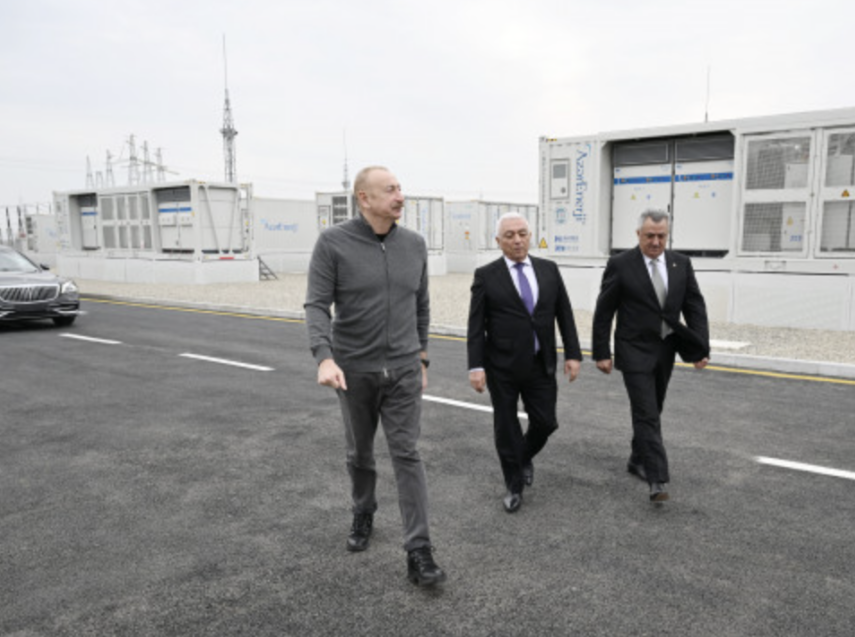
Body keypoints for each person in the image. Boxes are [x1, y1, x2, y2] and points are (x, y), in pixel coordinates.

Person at [304, 165, 446, 587]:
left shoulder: (414, 245)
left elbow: (421, 305)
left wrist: (422, 358)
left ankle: (419, 550)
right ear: (364, 198)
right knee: (360, 455)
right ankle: (363, 509)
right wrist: (324, 357)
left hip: (403, 369)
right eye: (390, 190)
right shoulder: (333, 243)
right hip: (354, 371)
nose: (400, 196)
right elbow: (316, 305)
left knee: (408, 454)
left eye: (400, 188)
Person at [591, 208, 710, 503]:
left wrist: (701, 347)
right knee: (646, 412)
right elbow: (604, 311)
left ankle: (637, 458)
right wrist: (601, 351)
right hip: (633, 349)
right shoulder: (620, 264)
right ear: (638, 234)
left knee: (653, 408)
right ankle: (657, 478)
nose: (656, 242)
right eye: (649, 236)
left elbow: (694, 306)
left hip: (666, 349)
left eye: (661, 236)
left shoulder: (681, 264)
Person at [467, 212, 583, 513]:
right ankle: (514, 485)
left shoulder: (548, 269)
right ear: (498, 240)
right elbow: (476, 326)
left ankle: (522, 457)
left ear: (530, 236)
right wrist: (476, 366)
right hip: (501, 366)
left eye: (522, 234)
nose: (517, 240)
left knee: (546, 422)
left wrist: (573, 354)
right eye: (509, 235)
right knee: (506, 427)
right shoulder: (486, 275)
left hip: (540, 362)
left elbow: (564, 313)